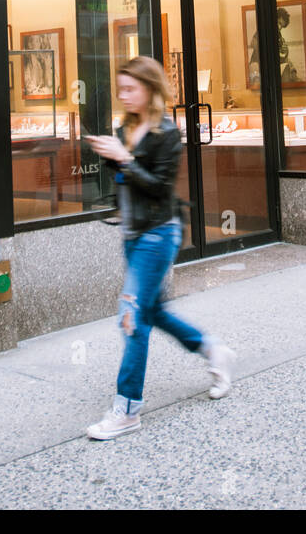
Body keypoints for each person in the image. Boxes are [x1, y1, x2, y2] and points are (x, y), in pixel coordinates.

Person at [82, 56, 235, 439]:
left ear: (150, 89)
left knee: (132, 316)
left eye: (130, 88)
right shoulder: (125, 127)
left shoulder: (167, 132)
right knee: (155, 311)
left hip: (158, 233)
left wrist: (124, 158)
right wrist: (110, 158)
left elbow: (159, 186)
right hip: (133, 233)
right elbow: (123, 179)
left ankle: (127, 408)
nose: (123, 95)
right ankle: (213, 350)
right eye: (121, 89)